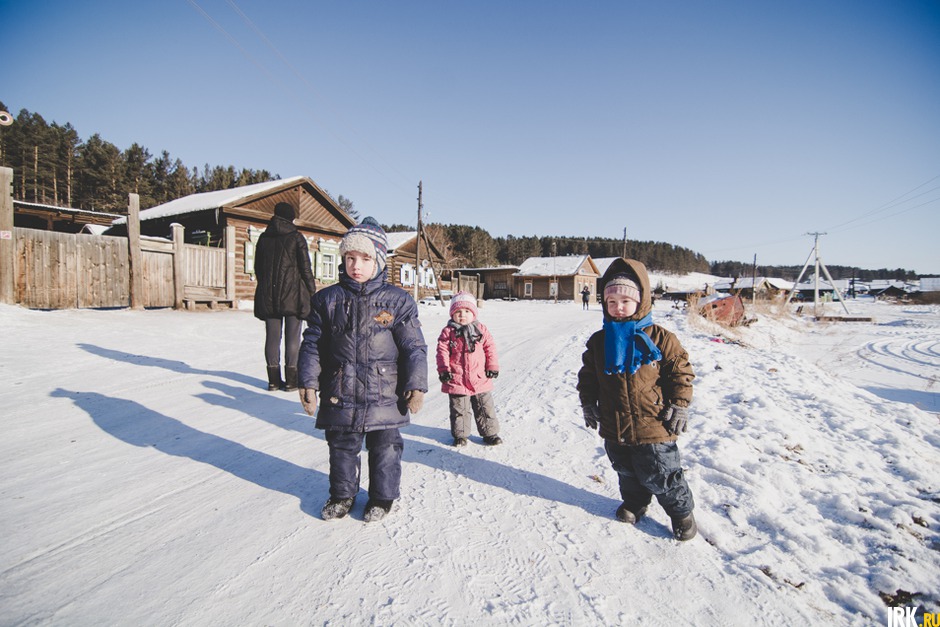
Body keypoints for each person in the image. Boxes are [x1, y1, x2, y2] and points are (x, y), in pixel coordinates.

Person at [297, 217, 428, 523]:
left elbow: (413, 347)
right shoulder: (326, 300)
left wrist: (416, 384)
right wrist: (307, 382)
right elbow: (312, 344)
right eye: (350, 258)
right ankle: (342, 495)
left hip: (385, 391)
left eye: (366, 259)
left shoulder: (398, 301)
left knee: (386, 446)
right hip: (340, 388)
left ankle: (382, 497)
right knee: (341, 445)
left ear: (379, 261)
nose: (357, 266)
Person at [576, 258, 698, 541]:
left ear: (641, 301)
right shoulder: (599, 341)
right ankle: (635, 503)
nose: (618, 307)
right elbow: (588, 377)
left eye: (625, 301)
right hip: (615, 422)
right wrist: (588, 403)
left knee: (662, 473)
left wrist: (679, 404)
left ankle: (681, 513)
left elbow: (680, 372)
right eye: (612, 301)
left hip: (653, 424)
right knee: (626, 471)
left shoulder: (660, 338)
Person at [253, 201, 317, 392]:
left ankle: (273, 381)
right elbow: (306, 268)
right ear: (291, 218)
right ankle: (291, 381)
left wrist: (265, 286)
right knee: (292, 338)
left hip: (268, 295)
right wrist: (312, 291)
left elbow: (258, 268)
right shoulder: (296, 237)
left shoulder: (263, 238)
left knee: (272, 337)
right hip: (292, 295)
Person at [436, 292, 501, 447]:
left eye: (467, 311)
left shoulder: (480, 329)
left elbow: (490, 348)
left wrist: (492, 366)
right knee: (460, 409)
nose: (462, 315)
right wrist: (444, 370)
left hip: (479, 377)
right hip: (457, 378)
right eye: (458, 311)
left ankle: (490, 433)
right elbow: (442, 352)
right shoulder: (448, 332)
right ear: (452, 314)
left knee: (484, 407)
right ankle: (460, 435)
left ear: (473, 313)